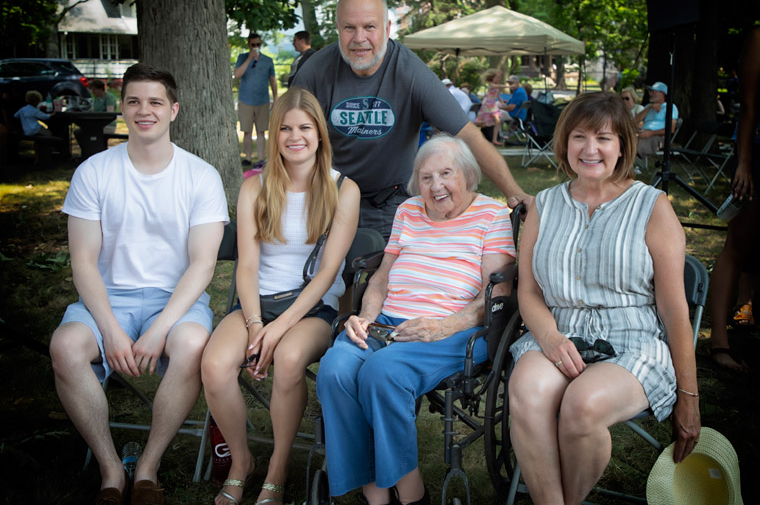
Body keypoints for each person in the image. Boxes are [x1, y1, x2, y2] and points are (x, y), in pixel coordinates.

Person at [48, 63, 229, 505]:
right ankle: (111, 471)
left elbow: (203, 266)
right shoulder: (94, 172)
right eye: (133, 101)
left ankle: (147, 468)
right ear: (122, 110)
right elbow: (84, 262)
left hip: (177, 301)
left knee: (190, 344)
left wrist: (160, 328)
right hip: (107, 299)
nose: (143, 110)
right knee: (66, 348)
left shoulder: (200, 176)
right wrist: (110, 329)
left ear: (173, 110)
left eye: (154, 102)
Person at [508, 92, 700, 505]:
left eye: (604, 138)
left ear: (622, 147)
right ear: (565, 143)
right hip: (557, 333)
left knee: (582, 405)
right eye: (579, 136)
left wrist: (689, 397)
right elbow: (529, 291)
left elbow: (673, 309)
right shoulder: (544, 205)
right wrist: (551, 338)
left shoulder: (652, 206)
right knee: (527, 388)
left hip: (634, 339)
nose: (590, 149)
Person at [316, 134, 516, 505]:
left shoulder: (491, 215)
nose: (436, 185)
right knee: (336, 369)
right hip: (389, 318)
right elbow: (381, 277)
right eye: (426, 177)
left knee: (382, 372)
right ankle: (374, 494)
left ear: (468, 175)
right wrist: (365, 316)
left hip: (455, 328)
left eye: (446, 173)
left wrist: (443, 325)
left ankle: (411, 495)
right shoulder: (408, 211)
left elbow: (495, 294)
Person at [201, 87, 360, 505]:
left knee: (289, 359)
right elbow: (248, 266)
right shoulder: (255, 187)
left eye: (305, 127)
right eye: (285, 128)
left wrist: (279, 330)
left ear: (320, 134)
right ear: (274, 134)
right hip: (256, 303)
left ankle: (279, 466)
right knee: (215, 366)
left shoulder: (344, 189)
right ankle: (241, 462)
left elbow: (327, 274)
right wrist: (256, 325)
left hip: (313, 307)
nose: (295, 136)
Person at [293, 0, 530, 240]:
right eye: (349, 27)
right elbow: (286, 140)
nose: (359, 38)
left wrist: (513, 191)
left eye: (370, 27)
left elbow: (468, 135)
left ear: (386, 28)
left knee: (389, 277)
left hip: (388, 204)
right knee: (320, 276)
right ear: (338, 29)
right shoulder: (315, 72)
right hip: (328, 200)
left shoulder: (410, 72)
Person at [708, 26, 760, 371]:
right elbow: (748, 107)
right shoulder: (759, 37)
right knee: (739, 242)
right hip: (757, 155)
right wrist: (744, 163)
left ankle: (747, 311)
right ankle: (718, 342)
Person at [235, 33, 278, 167]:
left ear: (261, 45)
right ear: (248, 45)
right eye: (252, 45)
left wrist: (275, 98)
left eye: (257, 44)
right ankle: (247, 158)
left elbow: (272, 80)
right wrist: (249, 59)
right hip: (245, 100)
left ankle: (261, 158)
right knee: (247, 131)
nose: (255, 47)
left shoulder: (268, 60)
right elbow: (237, 75)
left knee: (261, 131)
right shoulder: (242, 58)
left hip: (262, 100)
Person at [633, 81, 679, 158]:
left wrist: (649, 133)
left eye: (654, 91)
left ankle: (633, 167)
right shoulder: (648, 106)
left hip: (658, 137)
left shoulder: (670, 107)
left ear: (662, 93)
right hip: (641, 135)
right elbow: (634, 122)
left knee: (631, 147)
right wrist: (649, 108)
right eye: (650, 91)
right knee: (623, 143)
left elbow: (671, 129)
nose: (651, 94)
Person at [75, 80, 118, 150]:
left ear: (101, 89)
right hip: (96, 125)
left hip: (108, 125)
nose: (93, 91)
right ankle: (86, 151)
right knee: (78, 132)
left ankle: (95, 150)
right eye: (92, 89)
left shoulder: (109, 97)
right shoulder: (96, 99)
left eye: (95, 89)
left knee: (89, 133)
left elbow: (110, 113)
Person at [474, 68, 508, 145]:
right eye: (497, 77)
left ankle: (494, 139)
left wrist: (502, 102)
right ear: (492, 78)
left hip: (492, 106)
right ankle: (482, 137)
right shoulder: (492, 85)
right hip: (488, 106)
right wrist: (510, 86)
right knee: (484, 123)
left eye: (499, 77)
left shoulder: (495, 86)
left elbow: (497, 94)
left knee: (496, 121)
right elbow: (499, 86)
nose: (499, 79)